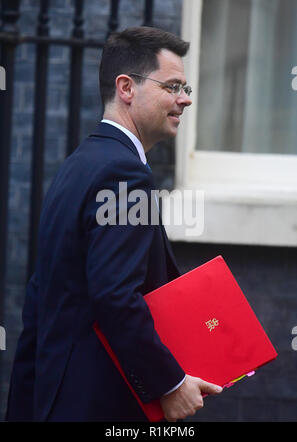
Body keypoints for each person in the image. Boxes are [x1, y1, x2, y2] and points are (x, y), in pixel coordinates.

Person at [6, 26, 222, 422]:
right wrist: (169, 384)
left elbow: (42, 296)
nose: (186, 99)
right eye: (173, 86)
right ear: (126, 88)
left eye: (186, 88)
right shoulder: (123, 173)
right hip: (98, 404)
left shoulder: (78, 165)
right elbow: (115, 296)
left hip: (57, 399)